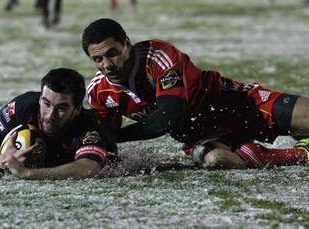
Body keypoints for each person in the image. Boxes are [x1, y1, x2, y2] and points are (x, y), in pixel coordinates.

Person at [81, 18, 309, 170]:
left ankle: (272, 141)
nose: (107, 64)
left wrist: (116, 136)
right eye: (98, 59)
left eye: (112, 53)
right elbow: (107, 138)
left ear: (126, 44)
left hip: (236, 103)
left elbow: (169, 118)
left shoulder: (158, 56)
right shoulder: (99, 92)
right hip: (201, 135)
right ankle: (302, 153)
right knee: (215, 160)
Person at [0, 68, 110, 180]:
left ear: (77, 110)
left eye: (61, 108)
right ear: (40, 99)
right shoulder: (23, 107)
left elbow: (89, 168)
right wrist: (3, 160)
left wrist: (27, 173)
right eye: (46, 104)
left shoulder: (89, 125)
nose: (50, 115)